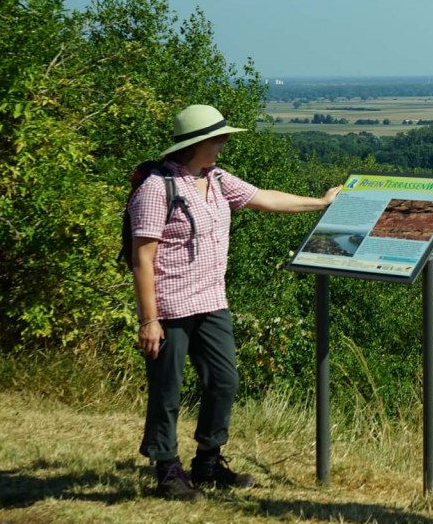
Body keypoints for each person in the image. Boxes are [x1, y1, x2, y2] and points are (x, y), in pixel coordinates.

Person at [128, 104, 340, 501]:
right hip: (170, 306)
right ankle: (167, 470)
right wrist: (148, 320)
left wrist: (321, 203)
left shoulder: (218, 180)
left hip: (211, 300)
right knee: (167, 391)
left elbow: (265, 199)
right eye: (220, 138)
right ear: (200, 142)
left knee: (224, 381)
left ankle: (207, 463)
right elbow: (142, 257)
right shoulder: (157, 189)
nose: (225, 144)